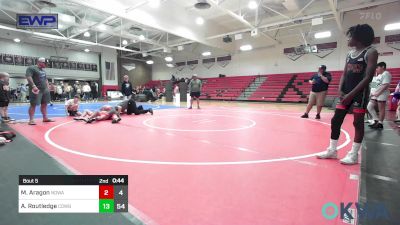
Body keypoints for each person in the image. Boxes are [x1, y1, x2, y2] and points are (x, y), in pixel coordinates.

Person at [317, 24, 378, 165]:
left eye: (351, 37)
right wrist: (340, 89)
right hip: (345, 93)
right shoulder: (349, 54)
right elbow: (345, 73)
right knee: (335, 120)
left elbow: (368, 77)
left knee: (357, 123)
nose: (348, 39)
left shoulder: (370, 52)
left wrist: (351, 95)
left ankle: (354, 155)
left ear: (359, 38)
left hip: (359, 94)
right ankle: (332, 150)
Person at [25, 57, 55, 125]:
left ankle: (45, 118)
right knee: (33, 104)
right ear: (40, 62)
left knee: (44, 104)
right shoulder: (31, 68)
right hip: (36, 90)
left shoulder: (43, 70)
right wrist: (33, 86)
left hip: (45, 90)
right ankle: (31, 120)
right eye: (45, 63)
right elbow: (28, 76)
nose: (47, 65)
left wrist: (48, 88)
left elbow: (45, 79)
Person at [366, 62, 391, 129]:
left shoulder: (386, 73)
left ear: (382, 67)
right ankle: (376, 120)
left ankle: (380, 123)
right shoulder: (377, 76)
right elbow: (374, 86)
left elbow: (385, 85)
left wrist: (377, 93)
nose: (376, 69)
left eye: (377, 67)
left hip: (382, 94)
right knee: (369, 107)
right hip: (375, 94)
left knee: (381, 109)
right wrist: (372, 93)